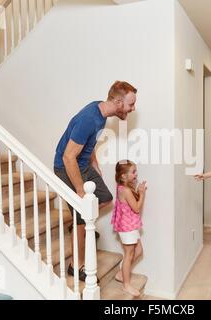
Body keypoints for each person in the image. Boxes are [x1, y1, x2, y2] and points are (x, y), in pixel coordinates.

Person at [53, 81, 137, 281]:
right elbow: (67, 157)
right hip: (66, 168)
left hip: (83, 165)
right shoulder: (89, 118)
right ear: (118, 102)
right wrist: (81, 191)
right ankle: (76, 265)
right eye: (130, 104)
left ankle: (80, 224)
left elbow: (87, 143)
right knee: (82, 216)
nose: (133, 109)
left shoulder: (101, 114)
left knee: (106, 197)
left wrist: (94, 162)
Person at [111, 160, 146, 297]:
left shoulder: (121, 187)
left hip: (129, 226)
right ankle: (126, 285)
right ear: (123, 176)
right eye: (133, 172)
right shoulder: (125, 190)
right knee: (129, 255)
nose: (136, 174)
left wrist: (137, 191)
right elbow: (136, 208)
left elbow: (130, 204)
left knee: (139, 251)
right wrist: (142, 194)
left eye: (135, 171)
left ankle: (121, 273)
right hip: (127, 228)